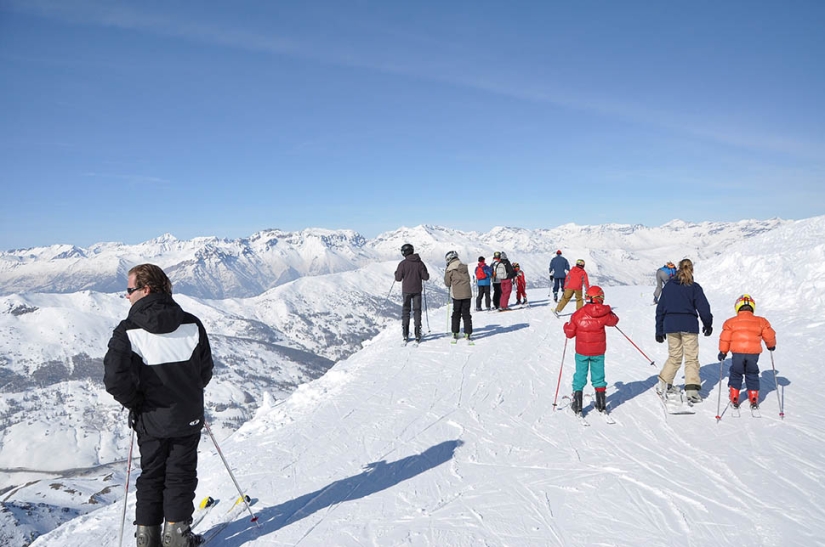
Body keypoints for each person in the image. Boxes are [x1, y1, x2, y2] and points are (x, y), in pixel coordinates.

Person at [104, 264, 213, 547]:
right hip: (187, 415)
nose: (126, 296)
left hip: (149, 418)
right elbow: (205, 371)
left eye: (129, 290)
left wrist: (137, 403)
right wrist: (188, 393)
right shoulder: (191, 323)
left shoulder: (127, 330)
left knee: (151, 475)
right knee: (180, 473)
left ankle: (147, 537)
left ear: (146, 289)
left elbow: (115, 380)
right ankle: (177, 535)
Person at [655, 258, 713, 404]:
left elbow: (660, 309)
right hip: (689, 326)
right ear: (691, 270)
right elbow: (704, 309)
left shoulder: (668, 287)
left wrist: (659, 330)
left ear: (677, 270)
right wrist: (708, 324)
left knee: (674, 356)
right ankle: (692, 391)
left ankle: (664, 384)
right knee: (691, 358)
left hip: (671, 326)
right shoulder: (694, 287)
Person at [563, 286, 619, 415]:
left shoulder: (578, 314)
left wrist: (566, 326)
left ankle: (577, 405)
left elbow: (570, 334)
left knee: (580, 376)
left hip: (582, 352)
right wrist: (608, 311)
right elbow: (614, 321)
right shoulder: (604, 314)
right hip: (598, 352)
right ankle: (601, 405)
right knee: (598, 376)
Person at [718, 294, 777, 410]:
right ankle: (753, 397)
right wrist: (771, 345)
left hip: (737, 353)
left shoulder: (730, 322)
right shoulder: (761, 321)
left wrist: (723, 352)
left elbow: (725, 338)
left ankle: (735, 397)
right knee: (752, 372)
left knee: (736, 372)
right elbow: (769, 335)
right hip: (753, 354)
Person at [395, 243, 430, 343]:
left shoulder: (403, 264)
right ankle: (418, 334)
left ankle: (405, 334)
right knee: (417, 311)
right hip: (417, 290)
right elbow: (426, 277)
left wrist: (396, 273)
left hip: (406, 291)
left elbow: (398, 278)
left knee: (406, 311)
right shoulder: (420, 263)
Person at [444, 251, 473, 341]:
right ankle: (468, 333)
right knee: (466, 313)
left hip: (456, 294)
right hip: (467, 293)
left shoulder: (450, 269)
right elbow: (468, 279)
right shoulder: (464, 266)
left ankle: (455, 332)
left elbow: (447, 283)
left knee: (456, 313)